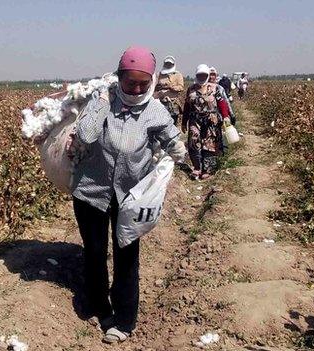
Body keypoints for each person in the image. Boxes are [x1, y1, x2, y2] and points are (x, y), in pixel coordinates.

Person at [71, 46, 186, 344]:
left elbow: (173, 139)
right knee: (95, 253)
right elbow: (85, 136)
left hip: (131, 197)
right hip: (91, 192)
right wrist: (101, 100)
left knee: (126, 256)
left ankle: (124, 319)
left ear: (151, 82)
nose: (136, 89)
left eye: (142, 84)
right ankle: (99, 306)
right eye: (130, 82)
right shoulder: (103, 103)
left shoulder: (155, 111)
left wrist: (180, 157)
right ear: (119, 78)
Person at [182, 64, 232, 180]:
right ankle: (197, 168)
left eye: (204, 75)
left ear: (208, 75)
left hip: (211, 120)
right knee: (193, 142)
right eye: (200, 75)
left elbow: (221, 103)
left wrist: (225, 116)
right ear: (196, 75)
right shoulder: (191, 89)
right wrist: (184, 122)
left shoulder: (215, 88)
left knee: (209, 145)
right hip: (195, 120)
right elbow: (187, 106)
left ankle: (207, 169)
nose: (202, 77)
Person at [154, 55, 185, 125]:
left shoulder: (178, 74)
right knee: (160, 122)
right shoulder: (159, 74)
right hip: (161, 102)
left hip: (172, 103)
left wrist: (171, 87)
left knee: (172, 122)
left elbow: (181, 87)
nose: (168, 65)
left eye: (170, 64)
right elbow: (154, 87)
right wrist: (158, 88)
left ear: (173, 64)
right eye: (167, 63)